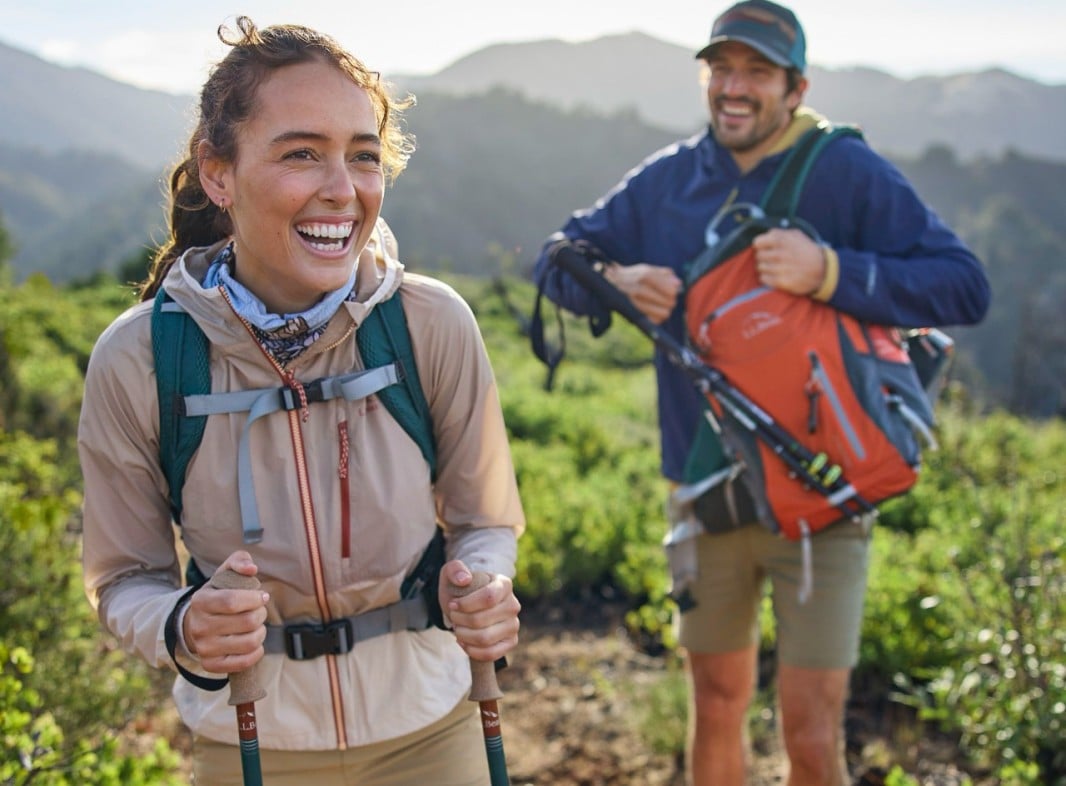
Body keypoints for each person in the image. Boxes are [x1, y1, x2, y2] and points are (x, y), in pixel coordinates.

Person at [532, 1, 990, 784]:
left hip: (825, 491)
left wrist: (831, 273)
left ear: (795, 86)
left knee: (812, 730)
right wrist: (615, 281)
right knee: (714, 702)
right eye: (722, 68)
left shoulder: (843, 171)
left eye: (757, 72)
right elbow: (555, 259)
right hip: (705, 489)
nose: (734, 88)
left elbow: (964, 287)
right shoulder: (671, 179)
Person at [79, 17, 525, 786]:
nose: (343, 191)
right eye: (301, 155)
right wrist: (184, 625)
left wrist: (485, 582)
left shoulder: (428, 322)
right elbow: (123, 578)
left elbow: (486, 520)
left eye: (362, 157)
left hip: (433, 724)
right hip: (249, 738)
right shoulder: (142, 356)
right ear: (218, 174)